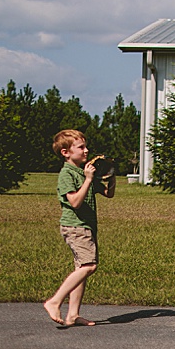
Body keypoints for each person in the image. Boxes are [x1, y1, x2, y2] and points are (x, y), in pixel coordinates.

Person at [42, 129, 113, 328]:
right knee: (89, 266)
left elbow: (108, 193)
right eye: (81, 147)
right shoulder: (67, 174)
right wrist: (89, 179)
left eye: (85, 146)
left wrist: (110, 174)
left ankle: (73, 315)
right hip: (75, 227)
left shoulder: (84, 171)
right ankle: (54, 301)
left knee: (81, 268)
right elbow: (74, 202)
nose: (86, 150)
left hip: (86, 227)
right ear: (66, 152)